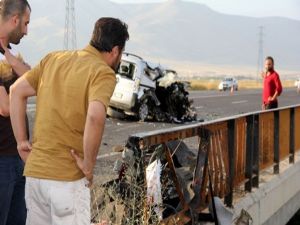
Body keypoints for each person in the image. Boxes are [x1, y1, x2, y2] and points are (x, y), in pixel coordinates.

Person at [10, 17, 129, 225]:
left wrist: (21, 141)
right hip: (66, 180)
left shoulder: (53, 59)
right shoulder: (102, 72)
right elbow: (95, 116)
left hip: (35, 177)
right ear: (115, 51)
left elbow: (16, 91)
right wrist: (89, 166)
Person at [0, 0, 31, 224]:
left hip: (15, 158)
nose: (27, 31)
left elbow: (35, 80)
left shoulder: (6, 54)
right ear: (14, 19)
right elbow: (5, 107)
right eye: (26, 24)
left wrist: (9, 58)